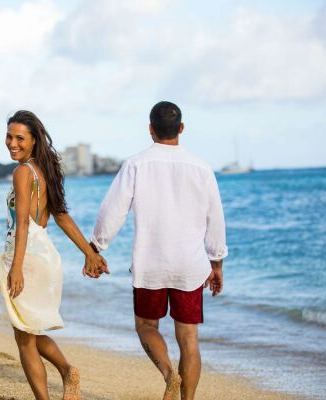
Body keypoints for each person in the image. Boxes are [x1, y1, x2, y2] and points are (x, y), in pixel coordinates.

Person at [87, 101, 227, 400]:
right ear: (182, 128)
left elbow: (113, 210)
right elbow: (215, 218)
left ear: (150, 130)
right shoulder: (202, 168)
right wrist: (216, 262)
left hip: (150, 263)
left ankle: (168, 375)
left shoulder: (136, 164)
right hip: (190, 265)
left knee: (146, 326)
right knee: (189, 338)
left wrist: (96, 247)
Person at [0, 110, 107, 400]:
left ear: (34, 141)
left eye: (20, 137)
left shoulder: (22, 172)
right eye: (9, 136)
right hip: (43, 255)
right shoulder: (43, 171)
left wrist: (16, 267)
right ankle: (67, 371)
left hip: (29, 257)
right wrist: (89, 253)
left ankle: (64, 374)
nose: (12, 143)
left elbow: (22, 222)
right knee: (28, 333)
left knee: (24, 339)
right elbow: (61, 216)